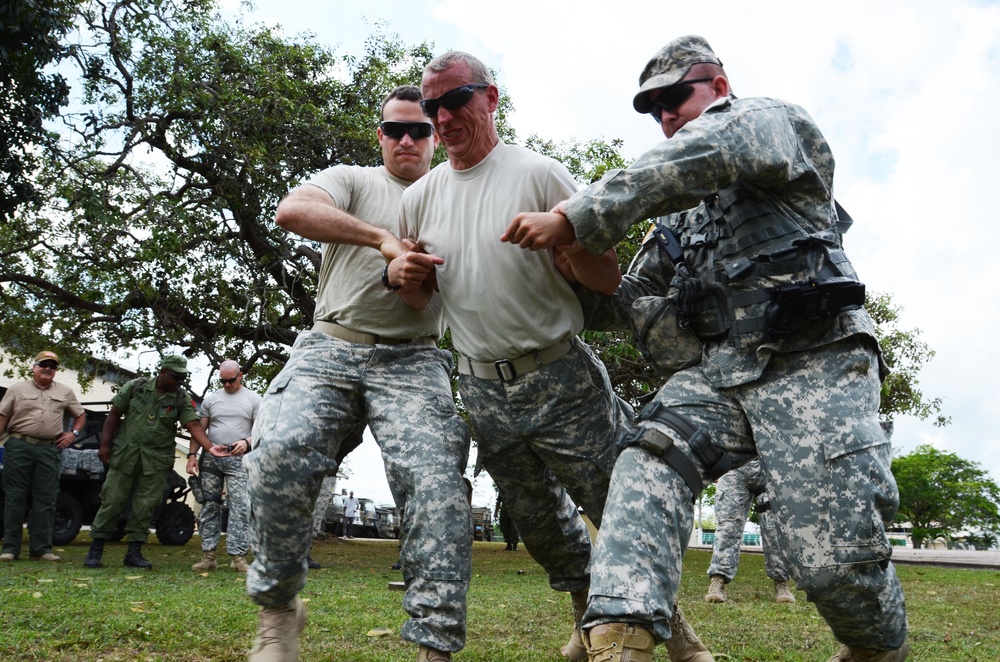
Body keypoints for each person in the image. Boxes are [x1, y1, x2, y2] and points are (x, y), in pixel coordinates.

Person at [503, 35, 908, 662]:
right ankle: (623, 634)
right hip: (717, 377)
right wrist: (578, 263)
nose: (665, 116)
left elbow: (705, 150)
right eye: (652, 109)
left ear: (717, 84)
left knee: (833, 562)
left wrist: (580, 215)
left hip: (813, 364)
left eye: (674, 97)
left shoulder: (768, 124)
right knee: (645, 460)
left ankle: (875, 646)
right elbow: (629, 295)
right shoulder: (679, 220)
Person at [389, 51, 710, 662]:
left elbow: (606, 276)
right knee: (539, 523)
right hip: (481, 388)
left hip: (559, 374)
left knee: (617, 508)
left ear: (490, 98)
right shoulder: (420, 198)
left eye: (455, 101)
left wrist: (567, 241)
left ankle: (675, 633)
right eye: (431, 108)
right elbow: (420, 299)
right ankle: (587, 616)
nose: (443, 117)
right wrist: (404, 276)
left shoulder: (539, 174)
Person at [244, 85, 471, 662]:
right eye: (395, 129)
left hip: (414, 358)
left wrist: (413, 275)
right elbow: (292, 211)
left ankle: (434, 645)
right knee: (279, 450)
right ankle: (278, 610)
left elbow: (430, 301)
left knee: (437, 483)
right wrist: (383, 241)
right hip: (330, 346)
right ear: (381, 135)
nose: (407, 140)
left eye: (419, 130)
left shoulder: (454, 198)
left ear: (436, 135)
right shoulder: (352, 180)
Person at [83, 355, 226, 570]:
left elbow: (193, 425)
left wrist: (209, 447)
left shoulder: (180, 398)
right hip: (125, 456)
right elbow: (114, 415)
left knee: (145, 506)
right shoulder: (136, 387)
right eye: (176, 377)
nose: (180, 381)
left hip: (156, 462)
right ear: (163, 373)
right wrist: (105, 445)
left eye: (183, 378)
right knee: (112, 500)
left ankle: (134, 552)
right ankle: (96, 549)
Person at [0, 350, 86, 563]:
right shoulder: (16, 389)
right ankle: (10, 548)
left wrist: (72, 434)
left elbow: (80, 415)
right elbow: (2, 416)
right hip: (19, 445)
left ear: (55, 371)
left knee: (46, 499)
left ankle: (41, 550)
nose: (48, 368)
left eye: (52, 366)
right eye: (43, 364)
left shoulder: (65, 392)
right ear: (34, 367)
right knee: (14, 497)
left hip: (49, 450)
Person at [188, 360, 261, 573]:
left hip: (239, 458)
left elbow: (261, 430)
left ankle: (238, 557)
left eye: (231, 380)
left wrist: (246, 442)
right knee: (209, 504)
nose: (227, 385)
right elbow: (199, 430)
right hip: (211, 457)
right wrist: (192, 455)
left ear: (240, 376)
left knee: (240, 506)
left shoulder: (254, 399)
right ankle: (208, 556)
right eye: (223, 381)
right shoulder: (211, 399)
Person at [704, 459, 795, 604]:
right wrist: (713, 465)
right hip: (733, 465)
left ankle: (781, 583)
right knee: (727, 526)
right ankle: (717, 582)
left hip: (770, 464)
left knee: (775, 528)